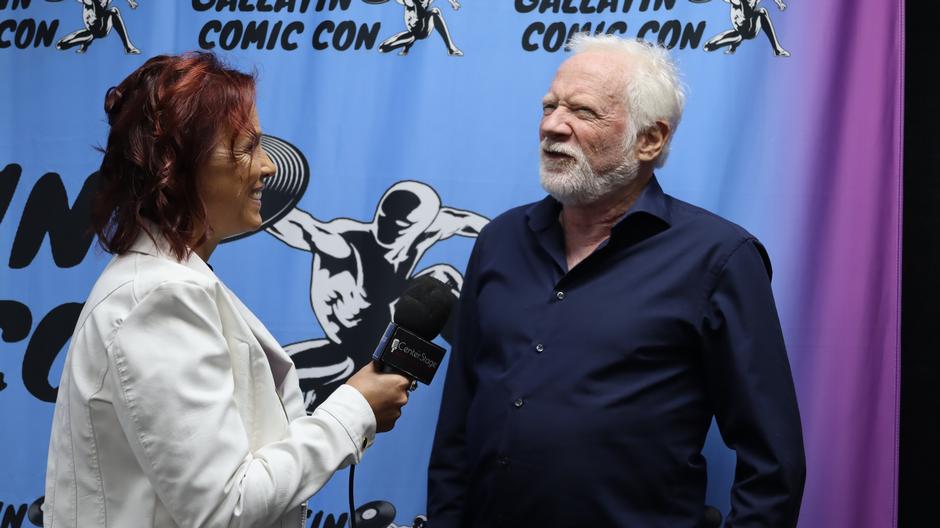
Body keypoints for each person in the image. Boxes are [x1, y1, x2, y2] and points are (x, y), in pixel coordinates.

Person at [427, 34, 806, 527]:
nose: (552, 126)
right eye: (549, 106)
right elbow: (456, 424)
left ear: (650, 140)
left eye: (582, 111)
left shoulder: (719, 258)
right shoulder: (499, 240)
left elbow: (773, 464)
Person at [43, 52, 411, 528]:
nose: (268, 167)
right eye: (247, 147)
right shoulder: (159, 297)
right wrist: (352, 411)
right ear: (179, 165)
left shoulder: (168, 282)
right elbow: (223, 506)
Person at [267, 181, 488, 409]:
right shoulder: (342, 241)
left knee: (443, 277)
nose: (388, 228)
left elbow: (470, 223)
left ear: (421, 226)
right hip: (347, 342)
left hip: (392, 334)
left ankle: (483, 354)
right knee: (276, 378)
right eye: (384, 217)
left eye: (401, 226)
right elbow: (299, 226)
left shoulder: (427, 232)